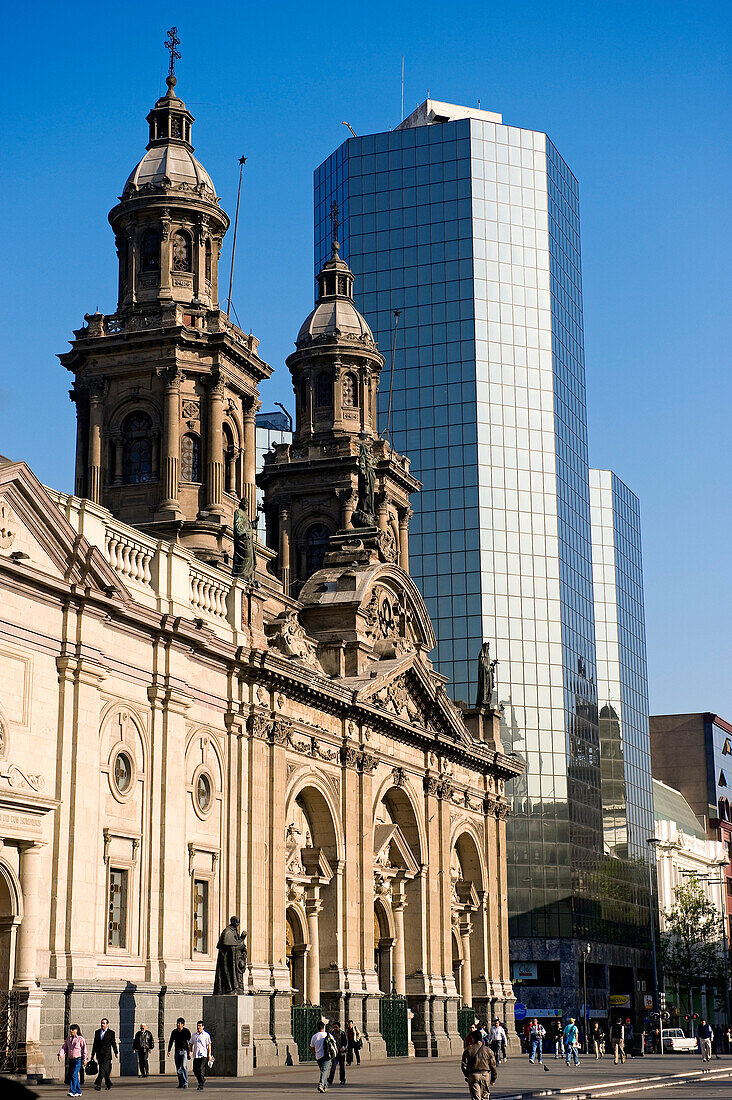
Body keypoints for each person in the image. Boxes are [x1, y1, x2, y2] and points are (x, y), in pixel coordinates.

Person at [461, 1029, 498, 1100]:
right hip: (485, 1075)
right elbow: (493, 1065)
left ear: (473, 1038)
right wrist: (493, 1078)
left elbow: (463, 1065)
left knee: (476, 1097)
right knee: (485, 1097)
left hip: (473, 1075)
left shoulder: (468, 1050)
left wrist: (467, 1075)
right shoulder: (488, 1050)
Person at [58, 1023, 87, 1098]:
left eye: (72, 1029)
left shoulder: (80, 1039)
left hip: (78, 1060)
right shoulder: (68, 1039)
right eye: (70, 1029)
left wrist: (85, 1059)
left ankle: (72, 1091)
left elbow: (84, 1050)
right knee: (74, 1076)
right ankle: (78, 1091)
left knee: (74, 1074)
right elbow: (64, 1047)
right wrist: (61, 1054)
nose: (71, 1031)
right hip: (71, 1060)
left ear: (76, 1030)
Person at [90, 1018, 118, 1091]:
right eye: (101, 1023)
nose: (102, 1025)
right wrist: (92, 1054)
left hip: (106, 1054)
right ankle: (108, 1083)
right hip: (99, 1054)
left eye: (104, 1023)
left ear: (107, 1024)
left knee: (102, 1069)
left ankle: (98, 1084)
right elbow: (95, 1044)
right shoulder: (97, 1032)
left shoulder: (111, 1033)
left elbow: (113, 1043)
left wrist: (116, 1052)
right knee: (105, 1071)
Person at [167, 1017, 192, 1089]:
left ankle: (185, 1083)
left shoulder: (186, 1031)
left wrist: (190, 1051)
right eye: (177, 1023)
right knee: (178, 1068)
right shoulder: (174, 1032)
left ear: (183, 1024)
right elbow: (171, 1041)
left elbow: (190, 1042)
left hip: (184, 1051)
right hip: (177, 1051)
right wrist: (169, 1050)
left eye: (179, 1023)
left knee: (184, 1066)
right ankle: (181, 1083)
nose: (177, 1024)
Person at [310, 1019, 333, 1094]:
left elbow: (312, 1047)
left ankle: (325, 1086)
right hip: (327, 1056)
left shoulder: (314, 1036)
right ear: (324, 1027)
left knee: (323, 1071)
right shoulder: (327, 1035)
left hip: (318, 1056)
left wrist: (315, 1052)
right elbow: (333, 1044)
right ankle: (321, 1085)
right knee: (324, 1071)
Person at [189, 1021, 212, 1091]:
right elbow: (190, 1044)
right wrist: (190, 1052)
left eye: (200, 1026)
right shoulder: (194, 1035)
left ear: (203, 1026)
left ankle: (200, 1084)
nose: (198, 1027)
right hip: (196, 1055)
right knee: (195, 1070)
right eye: (197, 1026)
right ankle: (202, 1079)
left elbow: (209, 1046)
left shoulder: (206, 1035)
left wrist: (209, 1055)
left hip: (203, 1055)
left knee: (200, 1069)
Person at [327, 1022, 348, 1087]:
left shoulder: (343, 1033)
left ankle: (342, 1079)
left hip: (341, 1053)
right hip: (335, 1053)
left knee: (342, 1067)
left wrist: (343, 1048)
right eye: (334, 1027)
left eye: (336, 1027)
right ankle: (330, 1079)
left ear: (339, 1027)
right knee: (333, 1067)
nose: (335, 1028)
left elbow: (346, 1042)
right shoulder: (332, 1033)